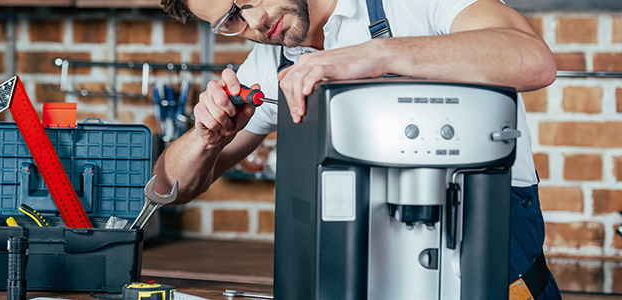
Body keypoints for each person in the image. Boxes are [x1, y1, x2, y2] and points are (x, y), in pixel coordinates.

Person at [153, 0, 560, 299]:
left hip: (492, 267)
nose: (256, 20)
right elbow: (168, 186)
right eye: (231, 19)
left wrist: (372, 55)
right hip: (371, 279)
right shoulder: (268, 64)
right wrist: (205, 138)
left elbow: (533, 60)